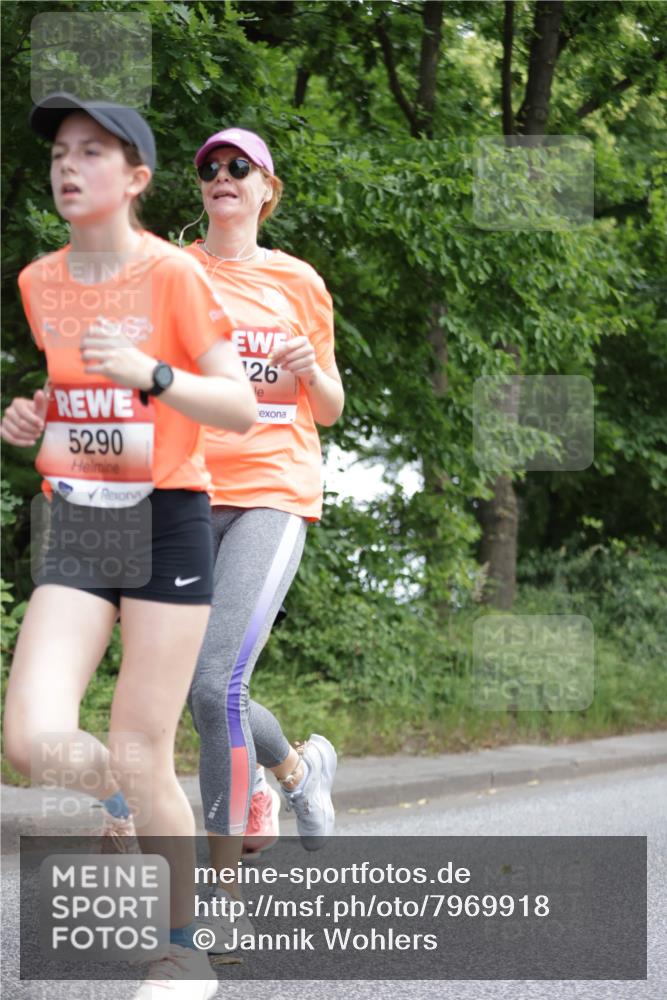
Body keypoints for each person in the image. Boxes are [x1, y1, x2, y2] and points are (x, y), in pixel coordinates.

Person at [0, 93, 256, 1000]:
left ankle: (182, 952)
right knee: (29, 737)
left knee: (143, 743)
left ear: (137, 178)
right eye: (59, 153)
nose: (68, 166)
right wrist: (35, 416)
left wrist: (153, 372)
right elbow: (79, 393)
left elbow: (238, 404)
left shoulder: (173, 276)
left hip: (167, 517)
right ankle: (118, 804)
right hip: (81, 518)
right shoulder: (40, 281)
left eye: (92, 152)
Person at [180, 127, 345, 949]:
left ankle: (223, 897)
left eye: (238, 167)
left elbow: (330, 407)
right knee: (203, 689)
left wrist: (308, 369)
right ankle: (297, 770)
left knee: (216, 686)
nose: (222, 175)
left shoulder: (296, 281)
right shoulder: (172, 274)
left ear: (265, 189)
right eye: (210, 167)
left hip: (273, 492)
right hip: (185, 493)